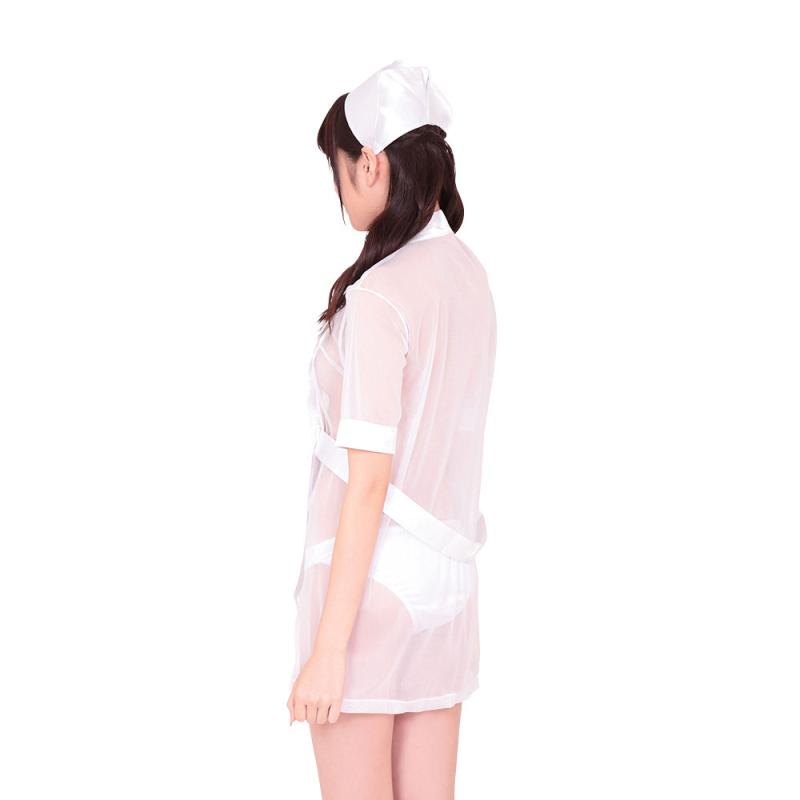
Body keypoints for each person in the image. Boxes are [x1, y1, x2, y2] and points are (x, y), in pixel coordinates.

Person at [287, 59, 497, 799]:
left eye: (339, 171)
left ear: (371, 163)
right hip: (447, 586)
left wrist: (327, 651)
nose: (340, 192)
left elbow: (368, 481)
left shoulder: (380, 295)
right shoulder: (469, 276)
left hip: (370, 587)